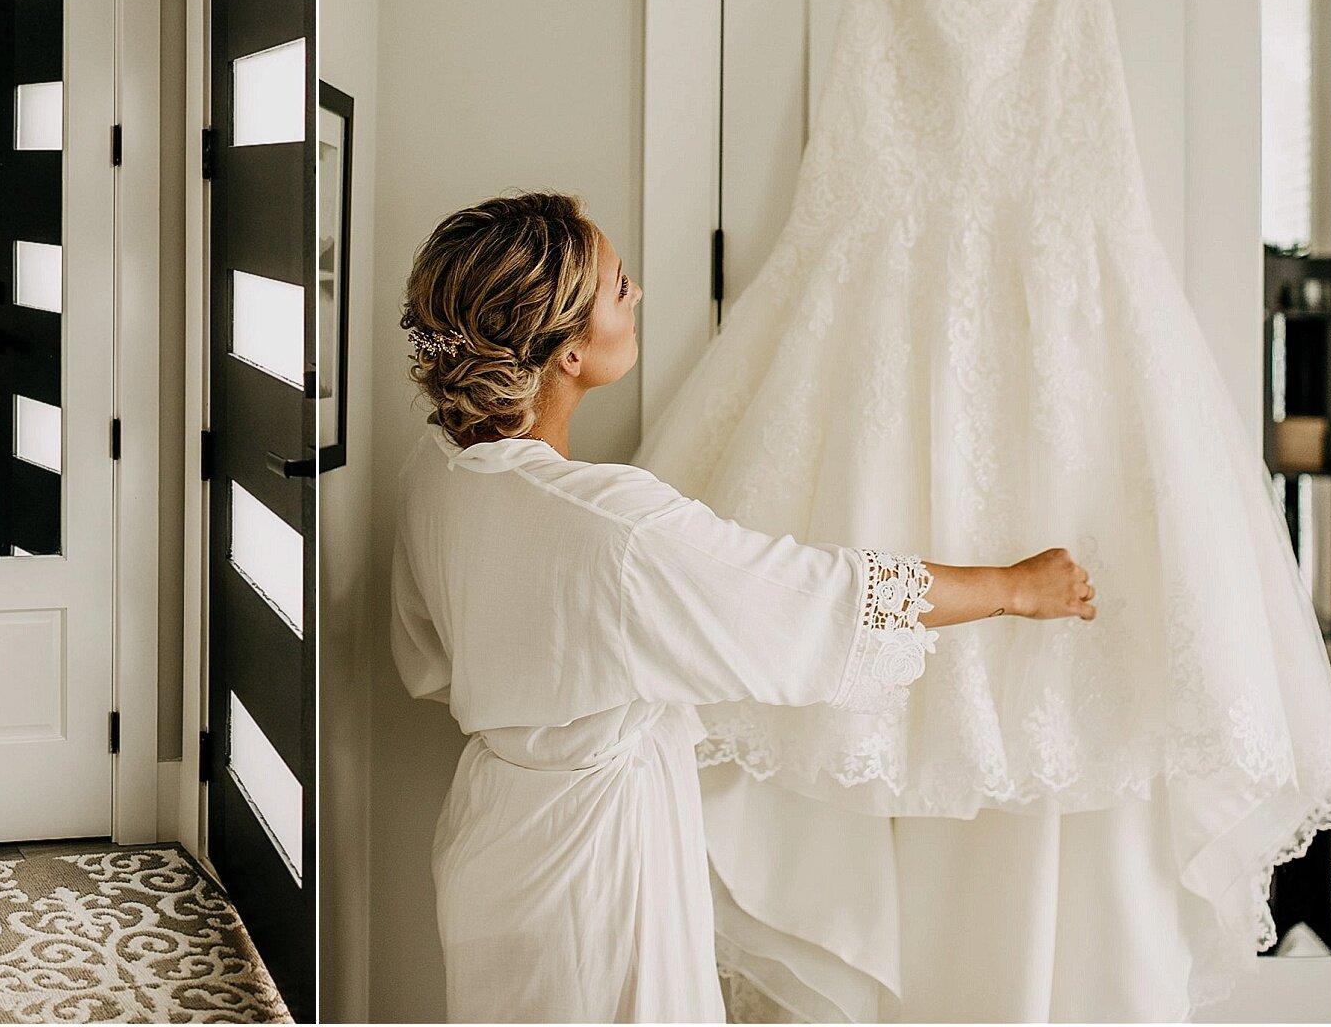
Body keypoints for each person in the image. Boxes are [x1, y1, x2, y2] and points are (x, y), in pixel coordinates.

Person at [390, 191, 1098, 1023]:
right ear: (571, 352)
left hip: (492, 843)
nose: (640, 294)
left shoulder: (438, 469)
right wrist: (1015, 587)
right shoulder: (613, 528)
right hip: (595, 872)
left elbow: (430, 660)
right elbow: (820, 598)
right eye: (621, 287)